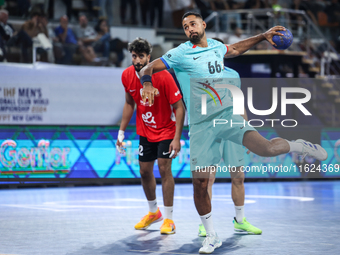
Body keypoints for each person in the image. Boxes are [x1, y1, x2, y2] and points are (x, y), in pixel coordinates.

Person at [139, 12, 328, 253]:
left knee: (267, 149)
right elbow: (149, 67)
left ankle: (299, 145)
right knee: (200, 183)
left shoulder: (217, 47)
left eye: (193, 24)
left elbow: (236, 49)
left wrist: (263, 35)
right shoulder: (180, 52)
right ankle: (211, 235)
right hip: (200, 126)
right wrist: (147, 83)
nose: (190, 29)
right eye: (185, 27)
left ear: (203, 25)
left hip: (227, 117)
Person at [116, 37, 185, 235]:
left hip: (165, 130)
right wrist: (121, 132)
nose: (137, 61)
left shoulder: (163, 76)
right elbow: (130, 103)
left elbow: (179, 108)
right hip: (145, 131)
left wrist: (176, 138)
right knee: (145, 172)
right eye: (134, 56)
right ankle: (154, 213)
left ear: (149, 57)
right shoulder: (127, 76)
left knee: (164, 169)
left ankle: (169, 219)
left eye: (141, 57)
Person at [197, 37, 260, 237]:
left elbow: (239, 103)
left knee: (238, 177)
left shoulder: (234, 74)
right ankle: (204, 224)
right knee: (208, 179)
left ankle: (240, 221)